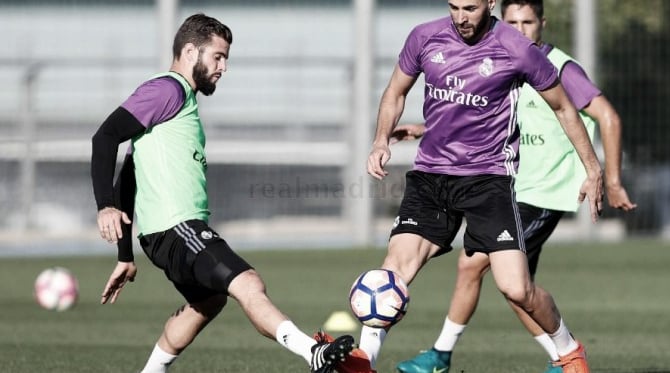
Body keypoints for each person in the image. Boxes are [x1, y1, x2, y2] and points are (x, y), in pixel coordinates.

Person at [334, 0, 605, 372]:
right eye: (454, 6)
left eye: (471, 7)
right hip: (431, 178)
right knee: (391, 273)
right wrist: (380, 139)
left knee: (516, 289)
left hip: (488, 180)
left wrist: (593, 169)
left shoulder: (517, 49)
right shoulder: (424, 37)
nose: (461, 17)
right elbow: (396, 92)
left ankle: (569, 350)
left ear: (491, 2)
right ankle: (365, 362)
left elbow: (564, 108)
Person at [90, 13, 353, 373]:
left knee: (209, 301)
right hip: (177, 227)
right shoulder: (167, 89)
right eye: (218, 56)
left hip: (167, 233)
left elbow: (131, 176)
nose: (223, 67)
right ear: (188, 51)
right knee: (248, 282)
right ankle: (313, 354)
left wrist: (125, 254)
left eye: (226, 58)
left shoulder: (179, 104)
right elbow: (104, 137)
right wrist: (104, 206)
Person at [393, 1, 637, 372]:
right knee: (509, 283)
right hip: (511, 186)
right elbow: (485, 115)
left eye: (528, 21)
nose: (520, 29)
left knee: (483, 269)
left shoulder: (557, 67)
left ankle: (451, 354)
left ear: (543, 23)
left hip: (545, 192)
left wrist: (611, 178)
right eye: (512, 21)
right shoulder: (500, 56)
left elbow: (607, 116)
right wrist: (425, 130)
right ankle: (558, 358)